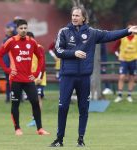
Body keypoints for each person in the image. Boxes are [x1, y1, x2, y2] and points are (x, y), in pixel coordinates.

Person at [50, 6, 137, 147]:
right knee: (63, 107)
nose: (74, 18)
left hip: (84, 77)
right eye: (73, 15)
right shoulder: (64, 32)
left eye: (77, 15)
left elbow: (109, 35)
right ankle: (59, 139)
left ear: (84, 18)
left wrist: (127, 31)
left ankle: (81, 139)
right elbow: (58, 50)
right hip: (67, 76)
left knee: (83, 108)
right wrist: (74, 53)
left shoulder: (92, 33)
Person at [0, 19, 49, 136]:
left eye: (25, 28)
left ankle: (40, 129)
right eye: (21, 28)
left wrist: (35, 74)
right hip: (15, 79)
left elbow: (40, 57)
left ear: (27, 28)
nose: (23, 30)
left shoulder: (32, 42)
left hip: (28, 79)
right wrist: (8, 70)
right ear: (17, 29)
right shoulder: (11, 41)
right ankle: (17, 129)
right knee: (15, 103)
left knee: (35, 102)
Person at [26, 31, 47, 127]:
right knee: (32, 99)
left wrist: (39, 77)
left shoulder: (39, 48)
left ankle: (36, 119)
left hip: (39, 77)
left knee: (38, 98)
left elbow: (42, 64)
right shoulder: (26, 49)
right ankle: (34, 118)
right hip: (30, 78)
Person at [113, 27, 137, 103]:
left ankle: (129, 95)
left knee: (132, 77)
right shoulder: (122, 38)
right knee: (122, 76)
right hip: (124, 60)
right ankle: (119, 95)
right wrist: (118, 56)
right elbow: (114, 48)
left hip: (133, 60)